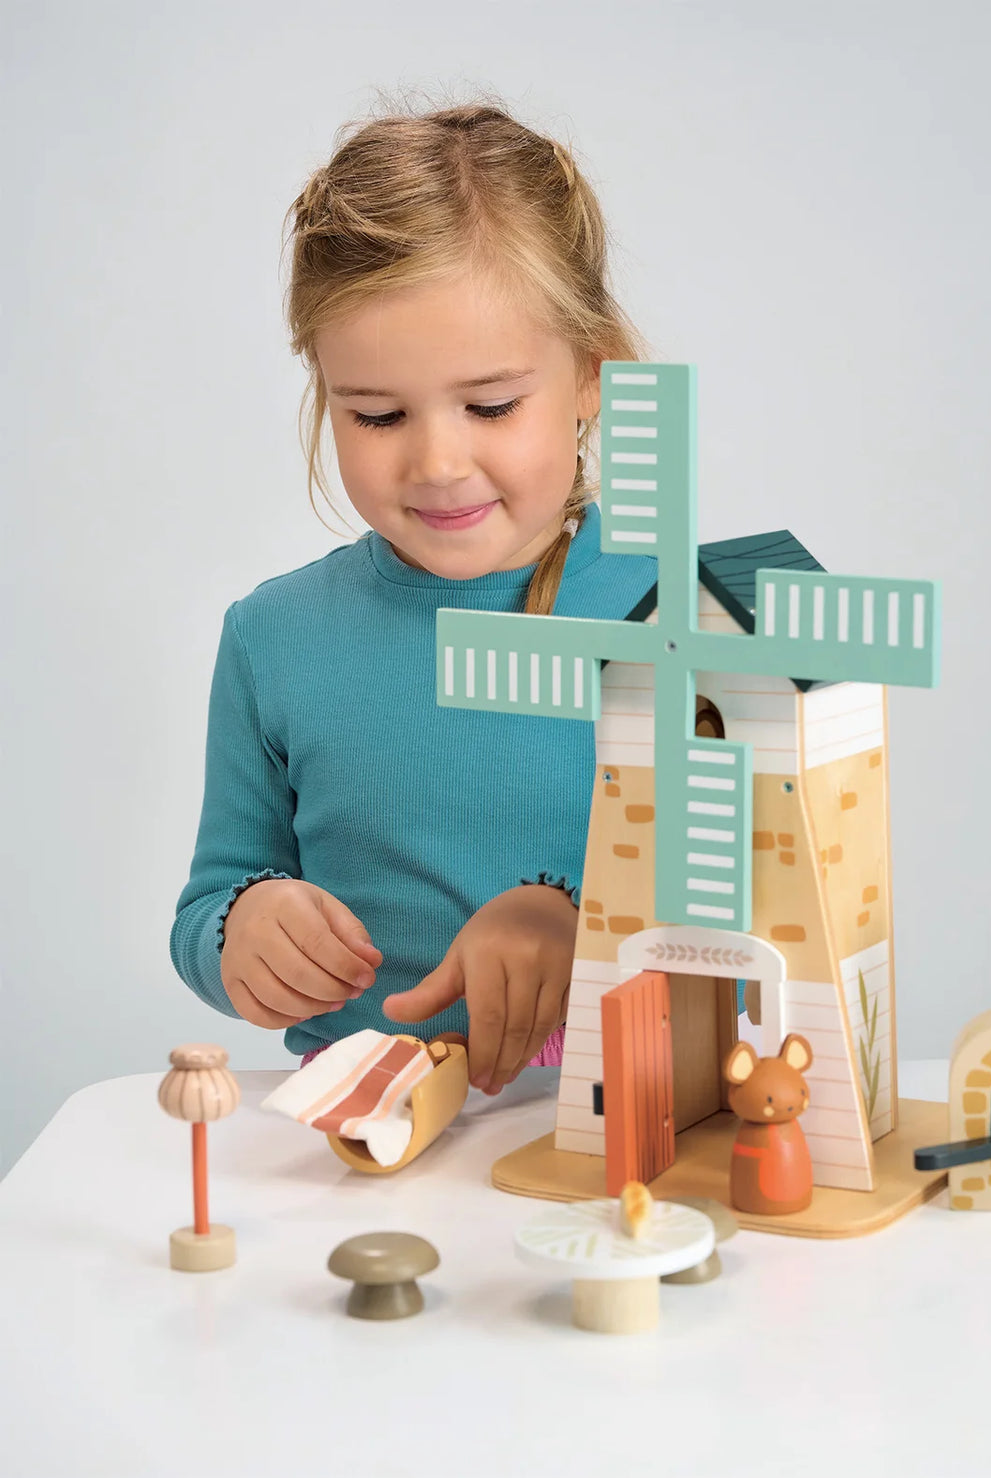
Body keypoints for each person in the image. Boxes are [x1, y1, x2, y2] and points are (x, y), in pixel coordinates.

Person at [169, 95, 660, 1096]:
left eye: (491, 404)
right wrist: (243, 929)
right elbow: (209, 903)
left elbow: (774, 919)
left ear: (591, 375)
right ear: (325, 392)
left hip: (628, 1138)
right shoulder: (275, 638)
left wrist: (575, 919)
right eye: (378, 415)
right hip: (365, 1134)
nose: (437, 462)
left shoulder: (687, 621)